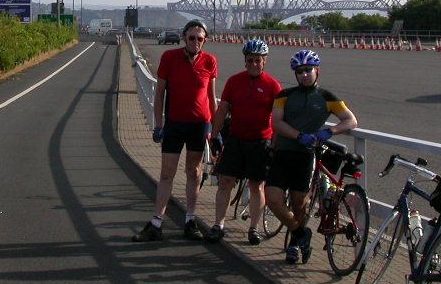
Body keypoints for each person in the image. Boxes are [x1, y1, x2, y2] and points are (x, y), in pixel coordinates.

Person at [266, 49, 357, 264]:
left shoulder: (327, 98)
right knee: (273, 200)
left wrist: (330, 131)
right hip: (283, 153)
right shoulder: (284, 96)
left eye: (308, 70)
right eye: (300, 71)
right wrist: (299, 135)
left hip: (305, 156)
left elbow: (351, 120)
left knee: (299, 203)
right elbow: (276, 122)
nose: (304, 75)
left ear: (317, 71)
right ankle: (301, 233)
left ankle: (294, 246)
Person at [133, 19, 218, 242]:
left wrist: (215, 129)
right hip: (174, 124)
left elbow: (211, 97)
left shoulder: (210, 61)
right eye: (192, 37)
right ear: (184, 38)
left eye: (200, 39)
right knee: (166, 173)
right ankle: (156, 223)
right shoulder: (169, 58)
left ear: (205, 40)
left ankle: (190, 221)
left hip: (199, 125)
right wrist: (158, 124)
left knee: (194, 173)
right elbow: (160, 92)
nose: (196, 42)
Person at [205, 39, 282, 245]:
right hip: (236, 140)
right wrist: (214, 135)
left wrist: (274, 144)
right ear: (245, 61)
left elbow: (278, 118)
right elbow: (222, 110)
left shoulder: (273, 85)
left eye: (258, 60)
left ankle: (253, 228)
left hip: (260, 141)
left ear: (264, 61)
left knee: (257, 186)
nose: (254, 64)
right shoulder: (234, 81)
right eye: (250, 60)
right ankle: (218, 225)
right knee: (225, 183)